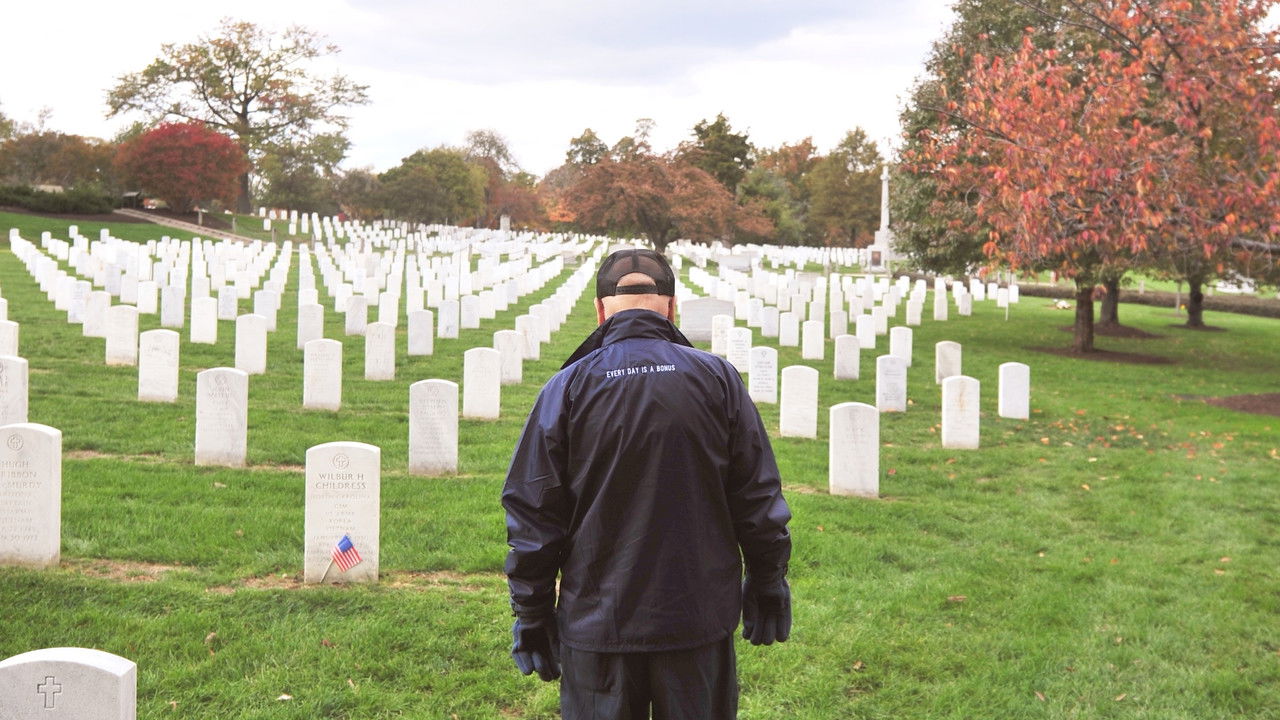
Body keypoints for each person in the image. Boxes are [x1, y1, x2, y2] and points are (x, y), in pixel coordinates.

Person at [502, 248, 792, 719]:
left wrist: (531, 611)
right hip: (696, 620)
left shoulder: (566, 388)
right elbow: (757, 497)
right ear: (671, 307)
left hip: (599, 622)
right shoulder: (718, 379)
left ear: (600, 311)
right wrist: (768, 577)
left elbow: (533, 512)